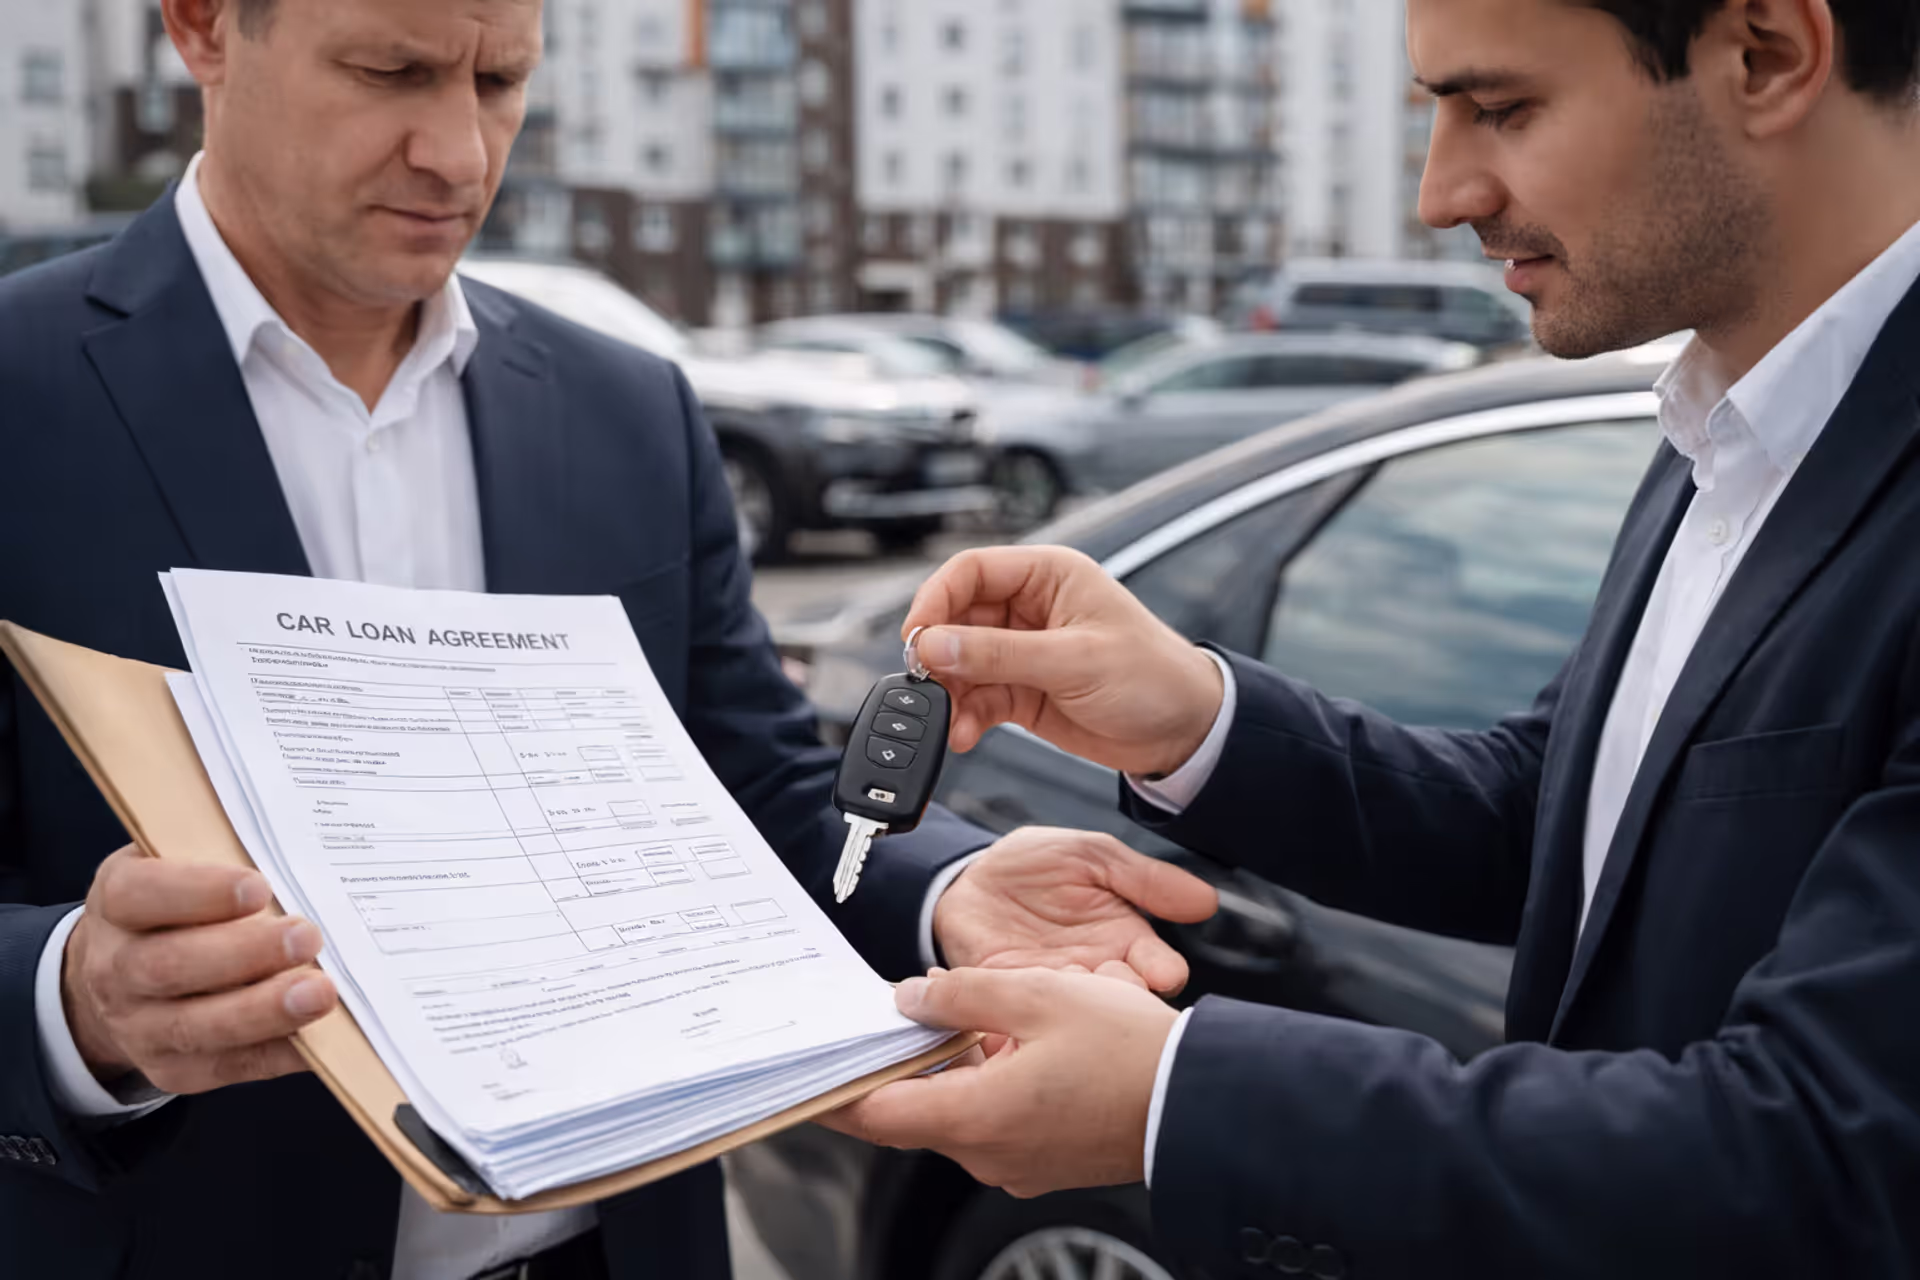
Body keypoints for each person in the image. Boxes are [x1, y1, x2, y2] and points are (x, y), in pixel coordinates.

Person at [0, 1, 1219, 1277]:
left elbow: (752, 795)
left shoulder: (627, 409)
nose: (461, 153)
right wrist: (76, 1003)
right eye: (391, 72)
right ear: (201, 27)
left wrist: (950, 889)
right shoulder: (21, 397)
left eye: (502, 80)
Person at [828, 0, 1920, 1275]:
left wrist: (1179, 1095)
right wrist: (1195, 717)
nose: (1440, 192)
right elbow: (1559, 825)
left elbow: (1825, 1154)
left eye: (1502, 108)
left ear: (1766, 55)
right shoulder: (1731, 425)